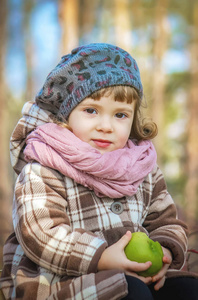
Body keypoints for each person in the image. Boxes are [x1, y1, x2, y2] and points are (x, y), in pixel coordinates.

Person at [0, 43, 197, 300]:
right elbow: (40, 232)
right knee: (132, 293)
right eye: (91, 110)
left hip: (136, 273)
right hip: (61, 282)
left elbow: (166, 220)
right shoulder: (44, 166)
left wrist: (166, 250)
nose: (106, 126)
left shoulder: (142, 168)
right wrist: (101, 257)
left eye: (120, 115)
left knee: (188, 291)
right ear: (66, 113)